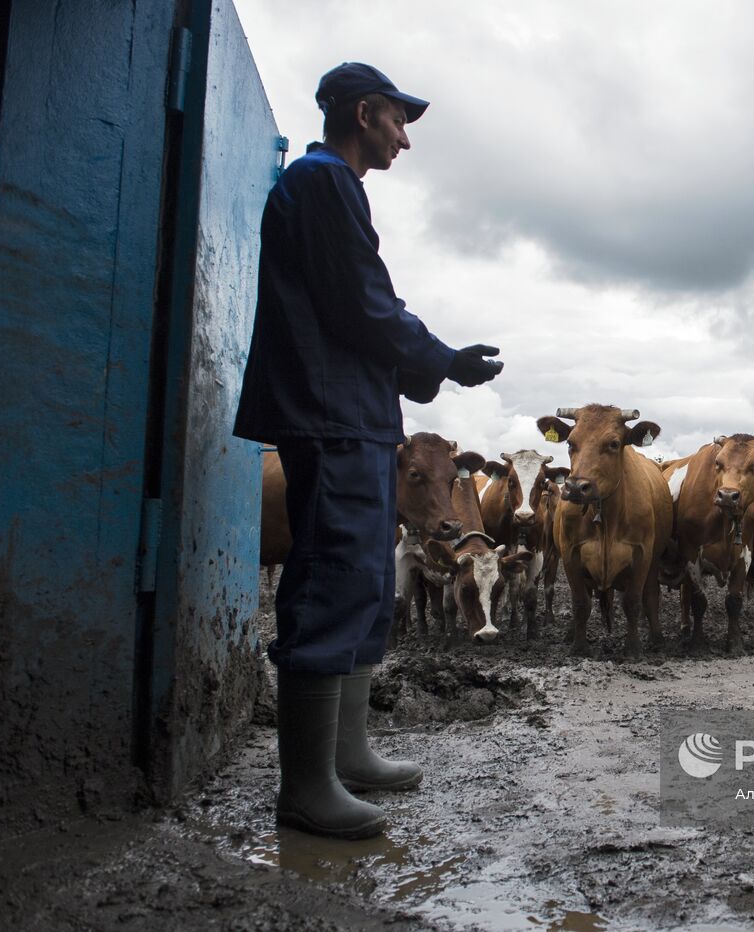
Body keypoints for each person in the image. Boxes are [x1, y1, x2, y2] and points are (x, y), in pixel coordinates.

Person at [233, 62, 503, 839]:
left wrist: (420, 367)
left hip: (352, 413)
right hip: (330, 413)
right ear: (363, 113)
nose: (405, 140)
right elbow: (364, 302)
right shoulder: (322, 183)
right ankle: (307, 785)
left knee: (358, 579)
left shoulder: (327, 188)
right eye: (397, 123)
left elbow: (362, 306)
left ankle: (346, 755)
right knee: (328, 576)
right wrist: (441, 359)